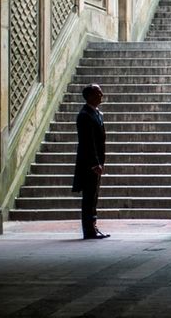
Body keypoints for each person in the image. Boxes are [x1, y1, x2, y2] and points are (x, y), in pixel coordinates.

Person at [72, 83, 110, 240]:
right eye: (98, 93)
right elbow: (88, 142)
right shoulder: (84, 115)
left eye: (101, 93)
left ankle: (93, 226)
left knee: (94, 196)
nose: (101, 96)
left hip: (97, 163)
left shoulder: (97, 114)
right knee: (89, 197)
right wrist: (95, 163)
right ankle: (89, 229)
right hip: (89, 164)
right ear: (89, 96)